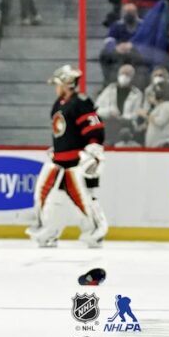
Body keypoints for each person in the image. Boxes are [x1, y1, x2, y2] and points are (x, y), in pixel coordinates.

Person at [27, 65, 108, 249]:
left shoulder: (81, 102)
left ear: (66, 84)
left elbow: (94, 129)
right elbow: (62, 131)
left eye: (58, 84)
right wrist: (58, 147)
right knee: (46, 199)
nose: (56, 88)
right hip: (58, 162)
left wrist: (94, 151)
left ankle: (95, 233)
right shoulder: (59, 103)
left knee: (84, 200)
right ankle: (48, 232)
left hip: (76, 164)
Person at [94, 64, 143, 145]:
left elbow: (136, 114)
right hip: (109, 125)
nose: (124, 76)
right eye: (122, 73)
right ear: (118, 74)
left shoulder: (137, 94)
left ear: (132, 77)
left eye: (127, 74)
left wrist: (123, 117)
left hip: (127, 127)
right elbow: (97, 109)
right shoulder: (109, 89)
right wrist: (109, 112)